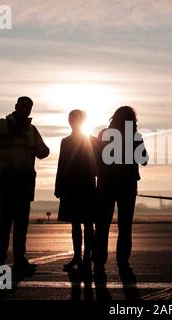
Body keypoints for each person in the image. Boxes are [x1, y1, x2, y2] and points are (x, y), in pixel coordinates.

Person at [0, 96, 49, 274]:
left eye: (28, 108)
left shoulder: (31, 130)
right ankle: (1, 260)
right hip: (8, 182)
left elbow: (43, 151)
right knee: (6, 225)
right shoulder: (2, 125)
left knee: (21, 226)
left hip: (24, 184)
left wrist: (37, 147)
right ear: (16, 107)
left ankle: (19, 260)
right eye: (23, 107)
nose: (25, 110)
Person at [93, 106, 148, 285]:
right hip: (127, 184)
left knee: (102, 224)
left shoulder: (104, 134)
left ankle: (99, 260)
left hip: (106, 184)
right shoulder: (134, 136)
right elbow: (144, 160)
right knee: (125, 226)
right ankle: (122, 261)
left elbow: (95, 157)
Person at [55, 110, 96, 274]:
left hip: (85, 186)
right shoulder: (66, 141)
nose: (73, 122)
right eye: (71, 119)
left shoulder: (92, 141)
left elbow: (97, 166)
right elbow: (61, 165)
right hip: (72, 187)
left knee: (86, 224)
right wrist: (58, 186)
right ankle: (79, 256)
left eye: (76, 119)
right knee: (76, 224)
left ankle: (86, 257)